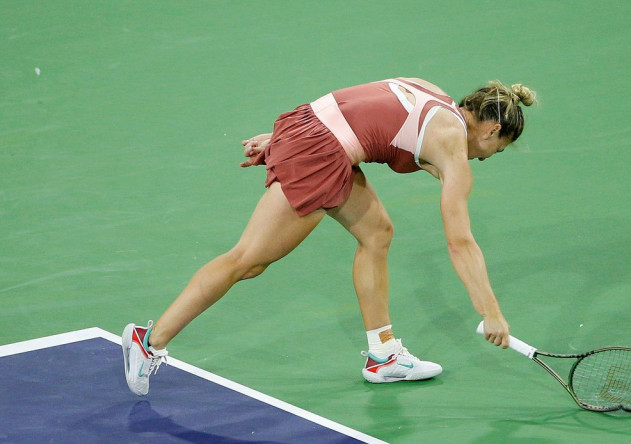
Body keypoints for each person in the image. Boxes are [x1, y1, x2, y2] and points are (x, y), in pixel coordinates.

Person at [122, 77, 537, 396]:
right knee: (248, 260)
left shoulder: (429, 92)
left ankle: (383, 355)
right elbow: (460, 241)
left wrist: (286, 139)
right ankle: (149, 341)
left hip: (310, 125)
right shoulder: (452, 143)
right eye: (495, 151)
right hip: (321, 152)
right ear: (491, 130)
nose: (485, 158)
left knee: (376, 233)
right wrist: (490, 311)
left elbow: (355, 107)